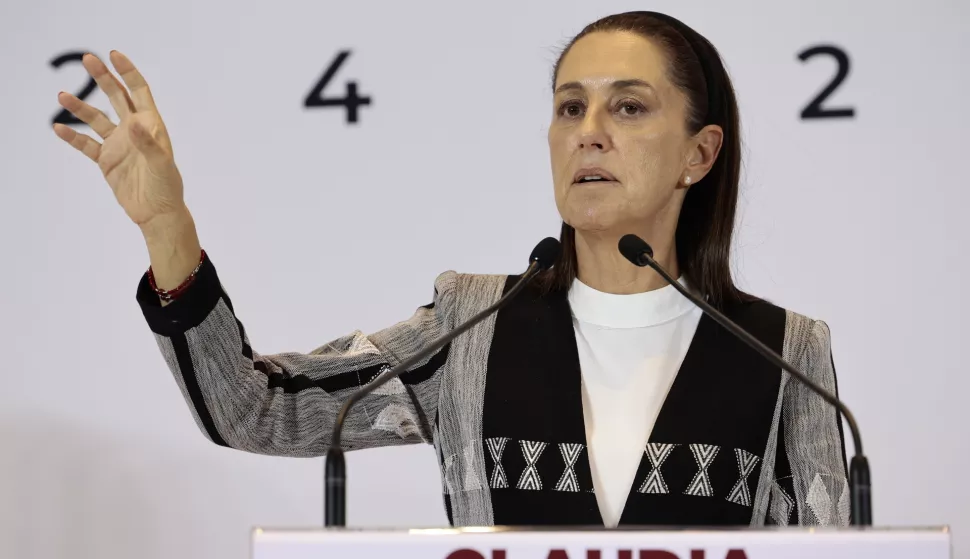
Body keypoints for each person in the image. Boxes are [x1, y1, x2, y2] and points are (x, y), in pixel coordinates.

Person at [53, 11, 849, 528]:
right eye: (571, 106)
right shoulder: (471, 325)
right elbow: (255, 408)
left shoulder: (785, 354)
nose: (589, 132)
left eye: (629, 107)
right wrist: (167, 225)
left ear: (699, 152)